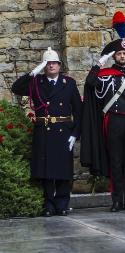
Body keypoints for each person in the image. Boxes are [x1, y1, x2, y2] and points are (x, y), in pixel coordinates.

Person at [80, 11, 125, 212]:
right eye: (119, 54)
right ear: (114, 56)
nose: (122, 56)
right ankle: (116, 200)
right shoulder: (105, 75)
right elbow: (89, 83)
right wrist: (98, 64)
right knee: (116, 162)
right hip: (113, 123)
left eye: (124, 54)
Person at [11, 47, 82, 217]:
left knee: (63, 170)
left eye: (54, 63)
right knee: (47, 171)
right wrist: (33, 72)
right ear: (44, 66)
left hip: (63, 131)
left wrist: (75, 134)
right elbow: (16, 88)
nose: (51, 66)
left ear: (59, 65)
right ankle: (48, 205)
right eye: (47, 63)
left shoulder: (69, 83)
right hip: (44, 131)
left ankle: (63, 204)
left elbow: (79, 111)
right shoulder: (36, 82)